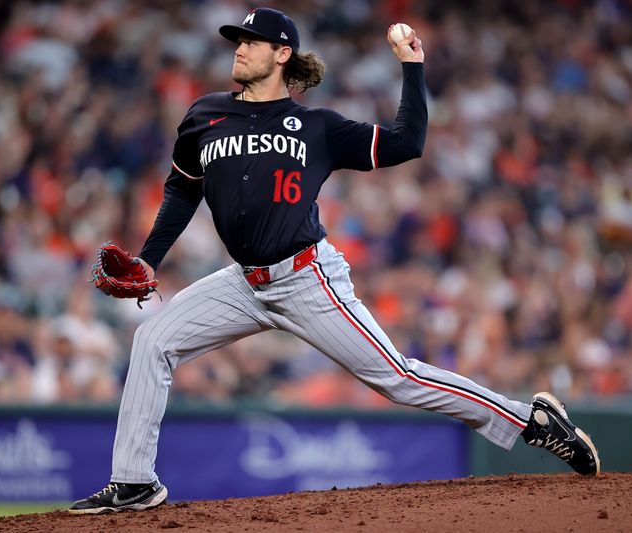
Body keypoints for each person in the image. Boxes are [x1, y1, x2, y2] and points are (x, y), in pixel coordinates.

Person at [69, 7, 599, 514]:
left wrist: (412, 67)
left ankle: (532, 421)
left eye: (251, 42)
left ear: (281, 54)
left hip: (305, 278)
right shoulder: (205, 116)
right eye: (238, 41)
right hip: (242, 284)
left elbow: (407, 143)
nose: (240, 49)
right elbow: (182, 190)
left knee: (398, 378)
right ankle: (134, 483)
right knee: (152, 340)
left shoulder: (317, 127)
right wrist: (149, 261)